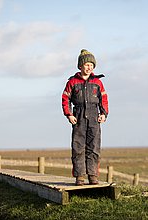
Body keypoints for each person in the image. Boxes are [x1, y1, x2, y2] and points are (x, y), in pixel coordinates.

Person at [62, 49, 109, 186]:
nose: (89, 67)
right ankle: (80, 177)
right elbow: (65, 99)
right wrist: (69, 114)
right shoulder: (72, 82)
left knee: (94, 147)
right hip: (78, 117)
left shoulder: (98, 83)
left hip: (94, 117)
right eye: (86, 64)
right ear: (80, 66)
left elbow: (104, 99)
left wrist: (104, 114)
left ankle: (93, 175)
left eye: (91, 65)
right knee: (78, 147)